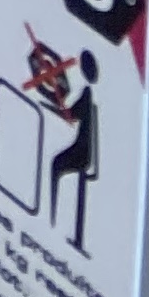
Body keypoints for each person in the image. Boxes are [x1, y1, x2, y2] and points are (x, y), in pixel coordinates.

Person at [47, 50, 101, 250]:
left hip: (82, 151)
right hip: (85, 150)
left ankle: (51, 219)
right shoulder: (91, 94)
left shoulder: (86, 94)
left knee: (56, 164)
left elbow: (72, 115)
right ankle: (73, 234)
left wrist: (57, 106)